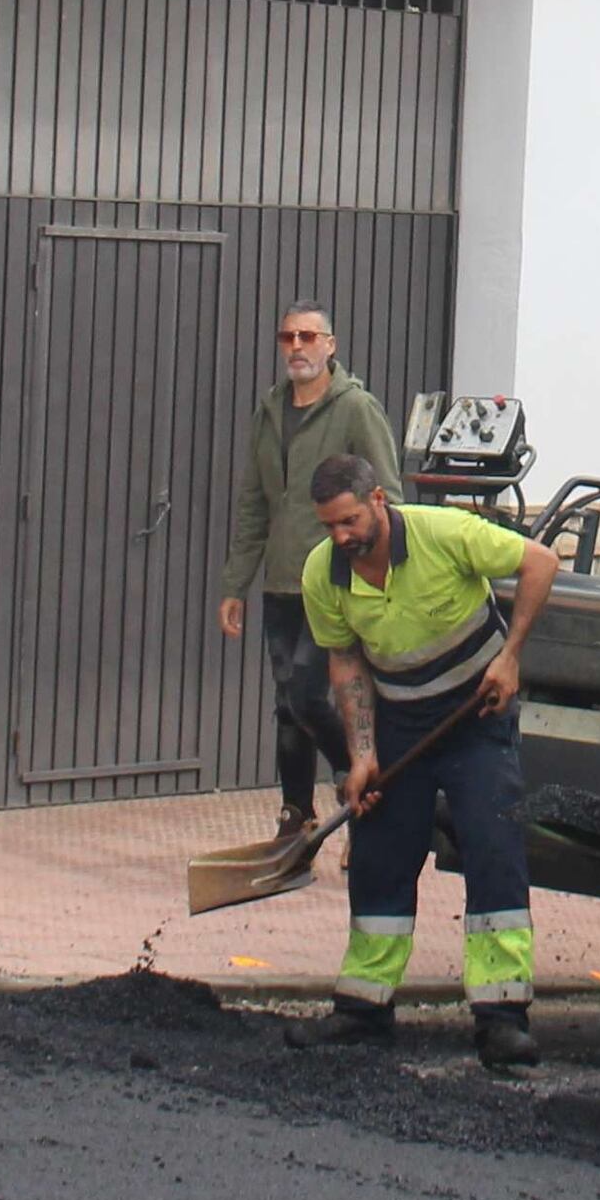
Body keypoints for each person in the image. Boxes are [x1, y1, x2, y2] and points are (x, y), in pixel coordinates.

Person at [299, 451, 558, 1069]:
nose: (342, 537)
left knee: (493, 849)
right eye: (329, 526)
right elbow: (346, 662)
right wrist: (362, 755)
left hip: (477, 719)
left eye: (350, 520)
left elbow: (541, 562)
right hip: (400, 723)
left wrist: (510, 657)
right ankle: (363, 1008)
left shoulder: (445, 534)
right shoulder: (323, 574)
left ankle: (502, 1017)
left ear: (379, 501)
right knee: (379, 855)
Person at [217, 305, 397, 858]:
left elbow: (388, 496)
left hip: (337, 581)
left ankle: (362, 786)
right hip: (281, 583)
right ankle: (296, 816)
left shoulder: (356, 409)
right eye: (287, 336)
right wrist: (235, 584)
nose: (296, 346)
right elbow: (254, 503)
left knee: (306, 693)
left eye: (308, 336)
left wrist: (381, 574)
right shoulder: (270, 410)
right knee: (287, 704)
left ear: (330, 345)